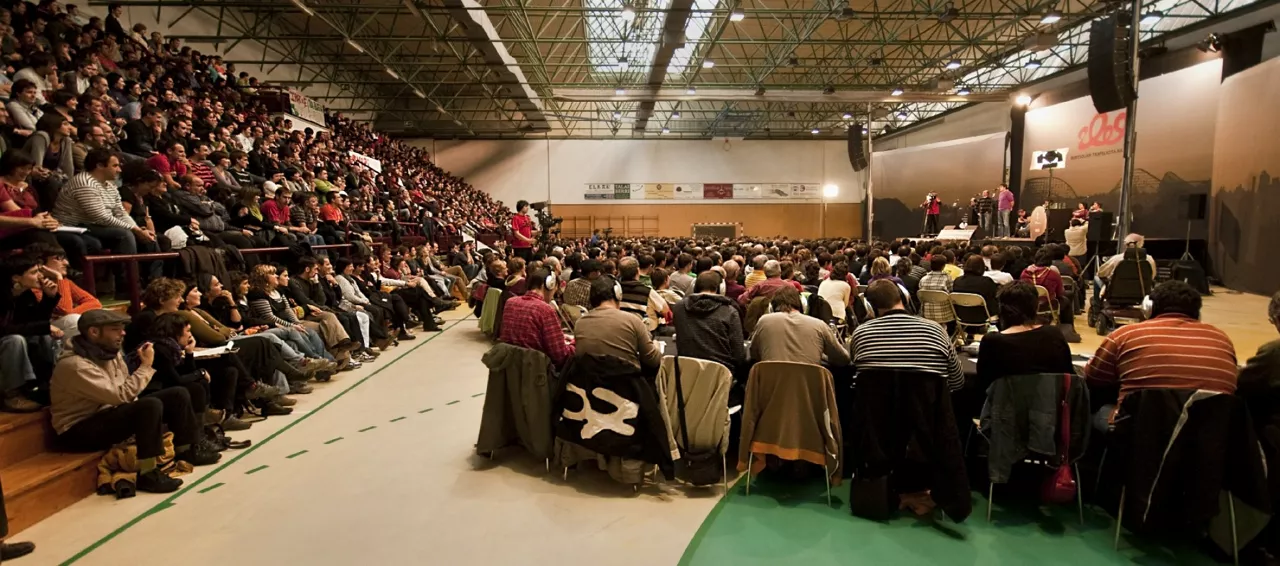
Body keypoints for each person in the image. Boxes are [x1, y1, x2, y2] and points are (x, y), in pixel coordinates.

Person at [51, 309, 220, 494]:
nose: (123, 333)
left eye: (122, 328)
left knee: (178, 394)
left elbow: (128, 392)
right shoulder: (74, 365)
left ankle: (187, 448)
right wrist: (146, 366)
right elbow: (120, 395)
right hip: (78, 429)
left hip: (108, 412)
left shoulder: (110, 353)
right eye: (115, 329)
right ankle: (148, 472)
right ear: (93, 332)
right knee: (149, 405)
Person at [1084, 281, 1238, 425]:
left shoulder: (1124, 336)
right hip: (1210, 437)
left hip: (1139, 434)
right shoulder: (1221, 339)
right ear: (1197, 313)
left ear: (1148, 308)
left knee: (1091, 411)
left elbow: (1093, 377)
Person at [851, 280, 965, 391]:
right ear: (905, 298)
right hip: (929, 409)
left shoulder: (861, 334)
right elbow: (957, 381)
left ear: (869, 307)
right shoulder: (937, 331)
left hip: (874, 409)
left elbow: (856, 383)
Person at [974, 282, 1073, 390]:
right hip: (1048, 404)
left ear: (1001, 309)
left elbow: (983, 383)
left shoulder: (991, 341)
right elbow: (1067, 375)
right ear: (1036, 307)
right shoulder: (1053, 335)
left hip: (1004, 405)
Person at [0, 253, 59, 412]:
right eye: (33, 272)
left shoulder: (25, 294)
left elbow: (36, 322)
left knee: (43, 337)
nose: (40, 276)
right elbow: (3, 329)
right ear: (16, 278)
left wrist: (49, 298)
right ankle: (12, 395)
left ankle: (47, 386)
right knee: (14, 340)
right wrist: (43, 327)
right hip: (6, 342)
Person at [572, 277, 661, 370]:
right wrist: (656, 345)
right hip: (626, 382)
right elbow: (652, 361)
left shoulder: (579, 323)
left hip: (590, 382)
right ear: (618, 294)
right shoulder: (633, 321)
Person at [749, 287, 849, 366]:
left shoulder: (763, 321)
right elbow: (843, 359)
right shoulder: (819, 325)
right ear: (802, 305)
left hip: (771, 389)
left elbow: (754, 354)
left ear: (772, 307)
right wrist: (821, 356)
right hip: (809, 390)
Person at [498, 267, 574, 369]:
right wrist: (575, 344)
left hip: (511, 369)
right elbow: (560, 356)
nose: (553, 295)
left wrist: (558, 337)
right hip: (538, 371)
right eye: (554, 290)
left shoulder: (510, 302)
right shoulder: (545, 309)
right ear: (547, 286)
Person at [671, 271, 745, 372]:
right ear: (720, 289)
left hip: (686, 372)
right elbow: (739, 355)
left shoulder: (679, 307)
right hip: (720, 375)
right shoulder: (730, 312)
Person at [616, 257, 667, 332]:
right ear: (637, 271)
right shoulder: (647, 291)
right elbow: (665, 310)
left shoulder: (615, 289)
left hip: (620, 328)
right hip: (643, 331)